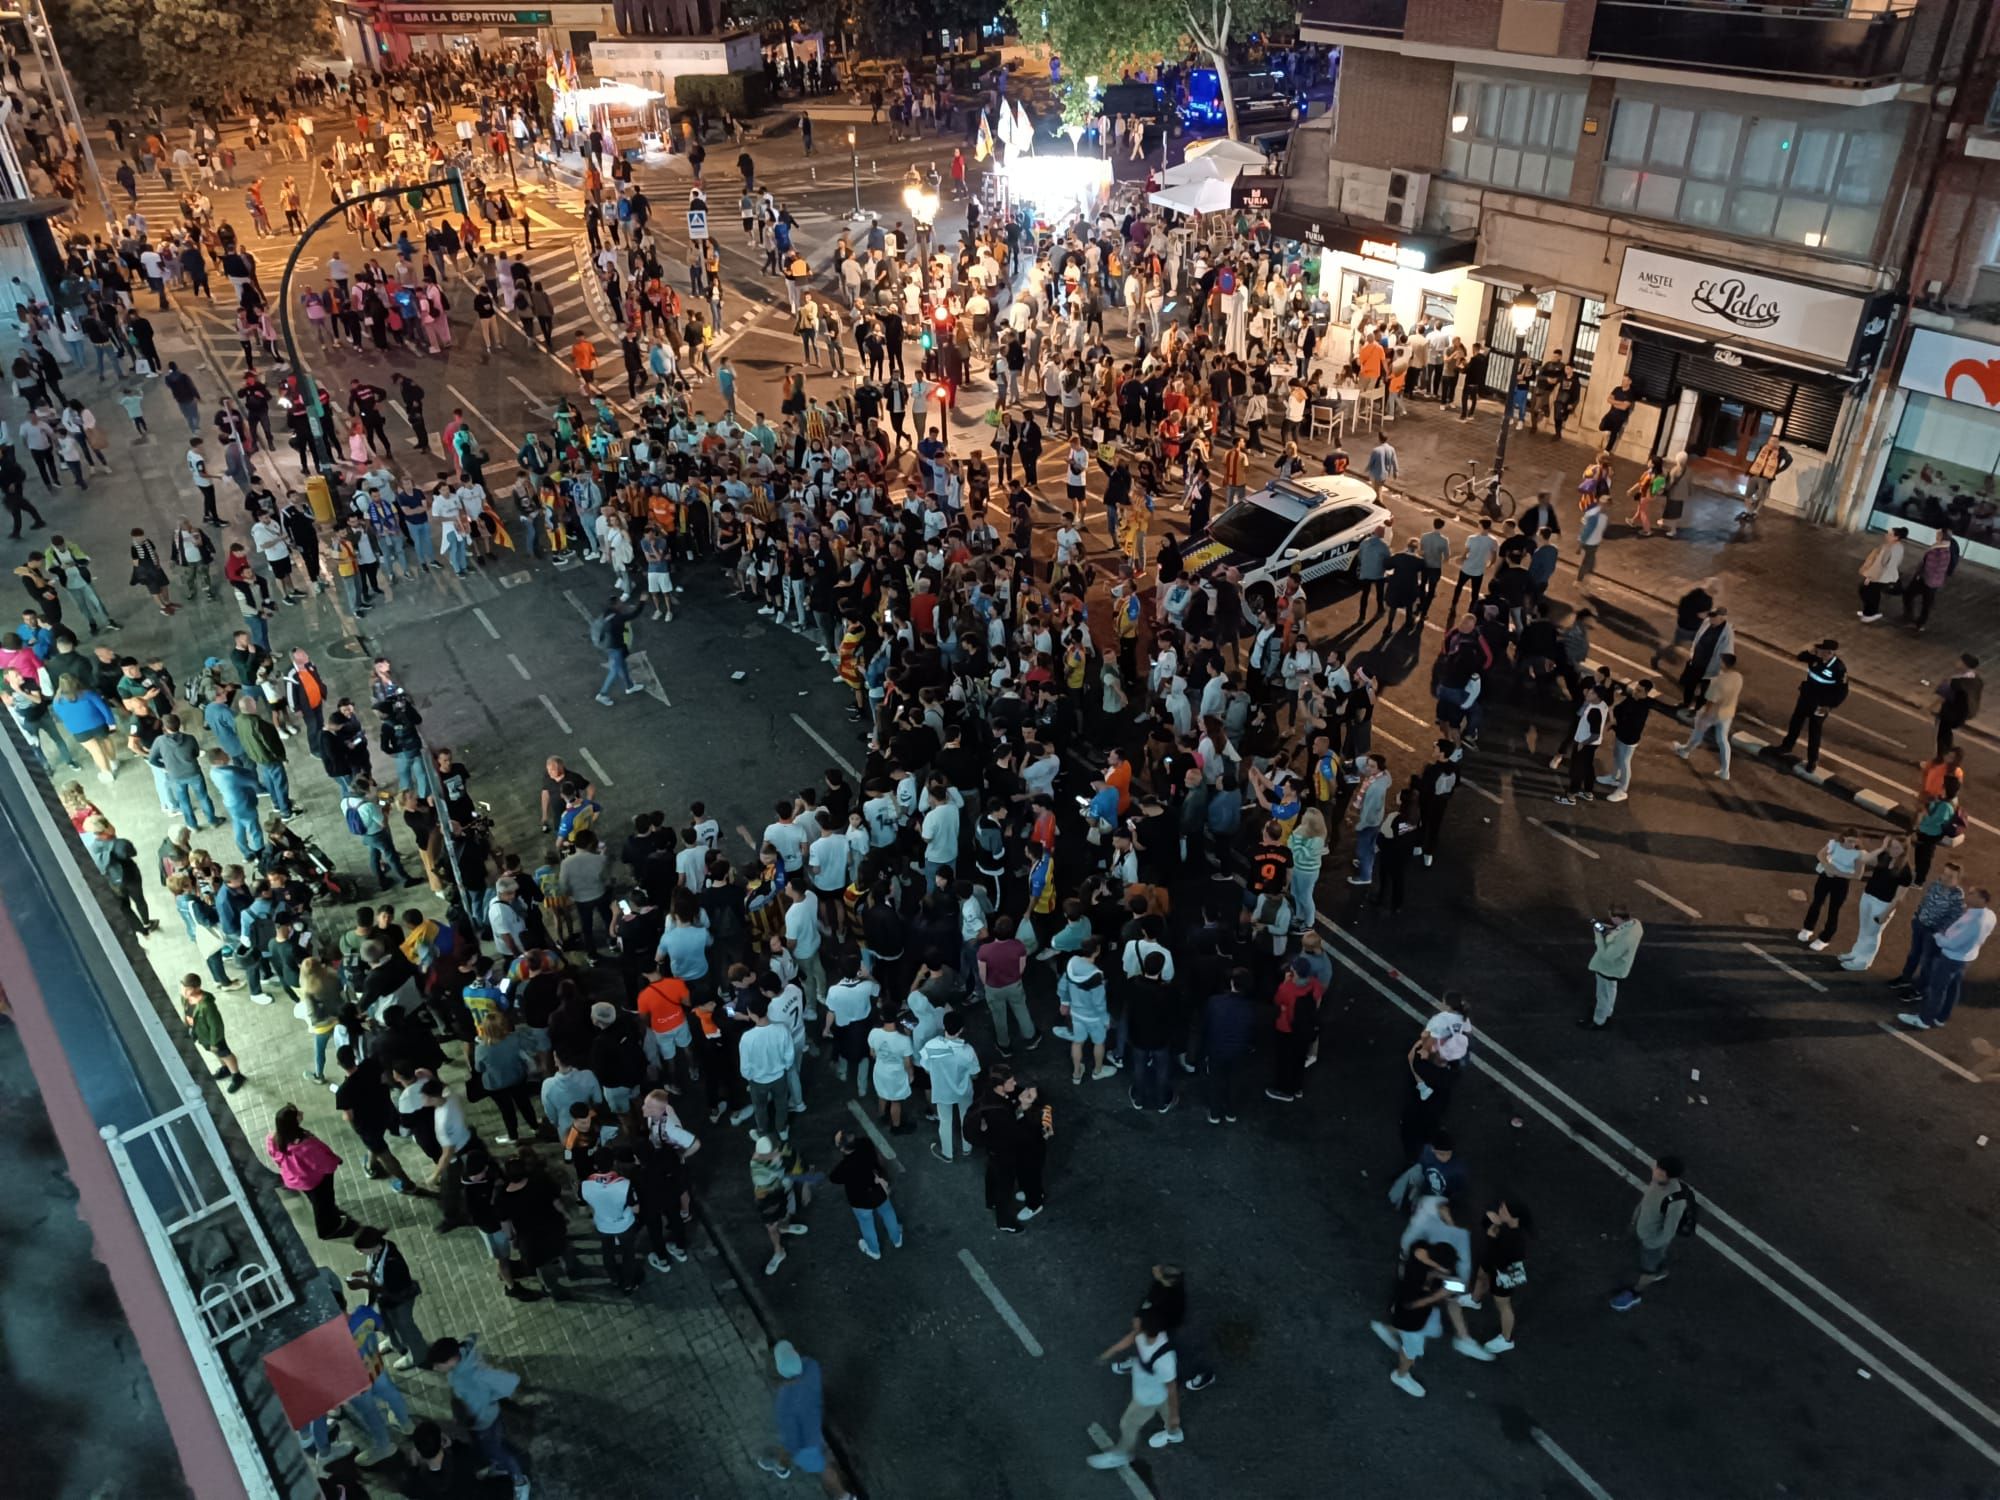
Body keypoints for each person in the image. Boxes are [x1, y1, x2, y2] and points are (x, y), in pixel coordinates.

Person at [424, 1335, 531, 1499]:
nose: (436, 1369)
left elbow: (506, 1381)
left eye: (438, 1365)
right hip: (479, 1420)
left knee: (496, 1450)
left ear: (451, 1360)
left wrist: (483, 1406)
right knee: (490, 1447)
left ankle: (519, 1481)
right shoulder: (461, 1364)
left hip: (485, 1421)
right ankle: (499, 1465)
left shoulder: (474, 1374)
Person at [757, 1340, 857, 1499]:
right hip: (814, 1421)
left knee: (824, 1468)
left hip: (806, 1443)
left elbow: (790, 1430)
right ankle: (783, 1464)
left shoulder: (785, 1400)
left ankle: (844, 1495)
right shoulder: (811, 1365)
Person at [1084, 1305, 1182, 1465]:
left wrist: (1175, 1413)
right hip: (1153, 1386)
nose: (1133, 1322)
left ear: (1145, 1328)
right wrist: (1109, 1353)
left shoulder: (1165, 1359)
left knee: (1129, 1423)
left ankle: (1122, 1454)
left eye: (1137, 1322)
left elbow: (1171, 1387)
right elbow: (1131, 1338)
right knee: (1166, 1409)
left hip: (1150, 1394)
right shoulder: (1147, 1334)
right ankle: (1173, 1431)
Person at [1370, 1238, 1459, 1398]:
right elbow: (1412, 1305)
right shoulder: (1417, 1279)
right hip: (1411, 1320)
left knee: (1410, 1329)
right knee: (1411, 1351)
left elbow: (1456, 1284)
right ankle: (1401, 1375)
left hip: (1401, 1308)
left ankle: (1386, 1330)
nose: (1447, 1271)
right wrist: (1436, 1296)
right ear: (1435, 1264)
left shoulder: (1419, 1247)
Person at [1898, 887, 1993, 1031]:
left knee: (1937, 989)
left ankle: (1925, 1019)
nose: (1968, 895)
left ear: (1982, 900)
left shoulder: (1974, 922)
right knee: (1953, 989)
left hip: (1951, 959)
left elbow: (1951, 944)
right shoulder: (1990, 915)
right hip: (1966, 959)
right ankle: (1941, 1017)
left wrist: (1937, 935)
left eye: (1973, 894)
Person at [1610, 1157, 1693, 1310]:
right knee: (1651, 1263)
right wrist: (1635, 1219)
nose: (1653, 1170)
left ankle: (1635, 1294)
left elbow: (1669, 1232)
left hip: (1652, 1242)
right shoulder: (1658, 1180)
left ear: (1666, 1175)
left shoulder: (1675, 1201)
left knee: (1648, 1270)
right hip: (1641, 1229)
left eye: (1658, 1170)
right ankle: (1659, 1270)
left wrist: (1651, 1243)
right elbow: (1647, 1200)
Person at [265, 1102, 356, 1239]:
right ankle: (328, 1230)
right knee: (323, 1203)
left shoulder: (273, 1138)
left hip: (298, 1179)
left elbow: (276, 1158)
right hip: (315, 1180)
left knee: (318, 1201)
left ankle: (331, 1215)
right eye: (298, 1114)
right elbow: (323, 1163)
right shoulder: (305, 1145)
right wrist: (335, 1161)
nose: (301, 1113)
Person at [1773, 639, 1847, 775]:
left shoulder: (1838, 668)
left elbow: (1842, 692)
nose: (1819, 651)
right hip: (1805, 699)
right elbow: (1800, 657)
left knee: (1814, 732)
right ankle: (1786, 746)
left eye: (1822, 650)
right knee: (1795, 723)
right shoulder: (1814, 658)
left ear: (1829, 653)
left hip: (1820, 705)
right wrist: (1810, 652)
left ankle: (1812, 761)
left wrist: (1829, 707)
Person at [829, 1127, 903, 1259]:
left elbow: (834, 1178)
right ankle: (897, 1238)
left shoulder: (844, 1167)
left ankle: (874, 1250)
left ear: (842, 1149)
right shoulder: (866, 1143)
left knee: (866, 1222)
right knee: (887, 1212)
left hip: (859, 1199)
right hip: (878, 1189)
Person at [1578, 903, 1643, 1028]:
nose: (1611, 919)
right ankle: (1607, 1013)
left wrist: (1598, 935)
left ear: (1617, 917)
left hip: (1609, 968)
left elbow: (1607, 956)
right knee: (1610, 991)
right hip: (1619, 967)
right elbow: (1620, 931)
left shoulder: (1625, 939)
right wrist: (1610, 930)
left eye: (1611, 917)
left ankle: (1599, 1021)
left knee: (1602, 994)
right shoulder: (1636, 925)